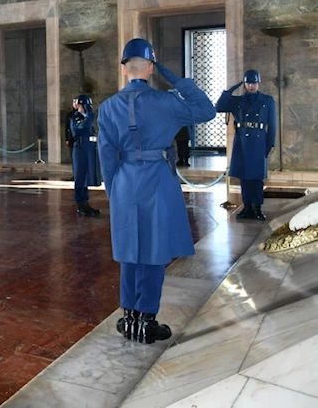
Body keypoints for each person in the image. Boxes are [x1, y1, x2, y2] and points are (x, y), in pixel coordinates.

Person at [97, 38, 215, 344]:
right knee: (153, 250)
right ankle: (146, 320)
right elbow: (206, 109)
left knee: (129, 251)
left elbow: (107, 158)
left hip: (124, 181)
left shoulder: (108, 108)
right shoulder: (167, 102)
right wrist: (175, 78)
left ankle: (129, 317)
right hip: (157, 181)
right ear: (150, 67)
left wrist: (115, 190)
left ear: (124, 69)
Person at [215, 69, 277, 220]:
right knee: (244, 177)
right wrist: (230, 90)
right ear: (244, 84)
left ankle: (257, 208)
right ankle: (247, 207)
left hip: (258, 141)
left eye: (254, 83)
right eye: (248, 83)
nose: (251, 86)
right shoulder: (237, 101)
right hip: (242, 141)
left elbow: (272, 124)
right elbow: (218, 107)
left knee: (256, 178)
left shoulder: (267, 100)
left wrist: (270, 144)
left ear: (258, 83)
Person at [70, 94, 101, 217]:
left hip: (88, 150)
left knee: (86, 177)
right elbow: (78, 130)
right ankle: (80, 204)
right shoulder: (76, 117)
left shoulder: (87, 117)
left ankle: (85, 203)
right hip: (80, 150)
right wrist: (89, 117)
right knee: (80, 177)